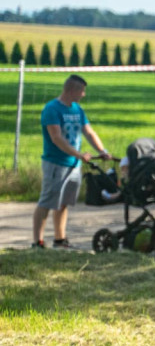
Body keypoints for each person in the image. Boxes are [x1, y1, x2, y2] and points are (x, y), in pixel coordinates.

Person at [32, 74, 111, 248]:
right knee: (46, 202)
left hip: (74, 165)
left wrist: (102, 151)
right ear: (72, 90)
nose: (83, 95)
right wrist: (79, 155)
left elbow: (89, 132)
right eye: (81, 91)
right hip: (56, 163)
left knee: (63, 203)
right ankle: (37, 241)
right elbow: (56, 138)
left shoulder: (77, 110)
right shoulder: (52, 109)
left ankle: (60, 240)